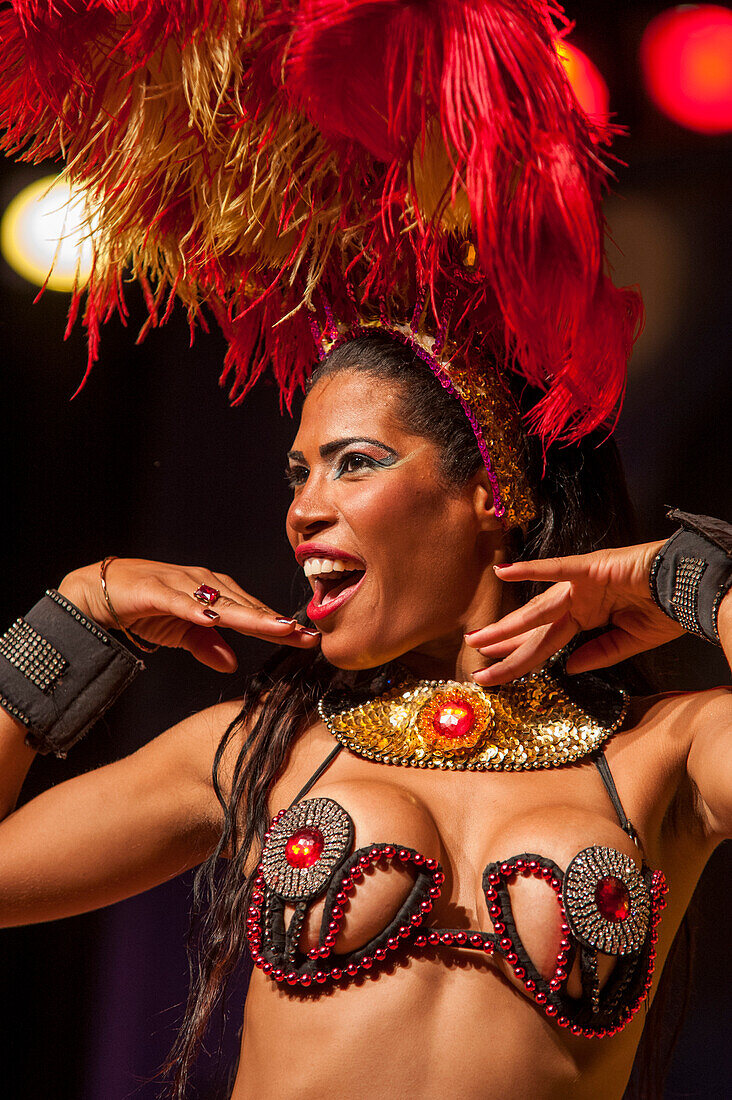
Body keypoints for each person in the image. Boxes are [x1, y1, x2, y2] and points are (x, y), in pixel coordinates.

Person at [1, 332, 730, 1100]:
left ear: (494, 488)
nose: (303, 509)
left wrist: (693, 581)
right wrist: (77, 614)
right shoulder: (266, 748)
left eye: (354, 462)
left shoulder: (666, 748)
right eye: (298, 474)